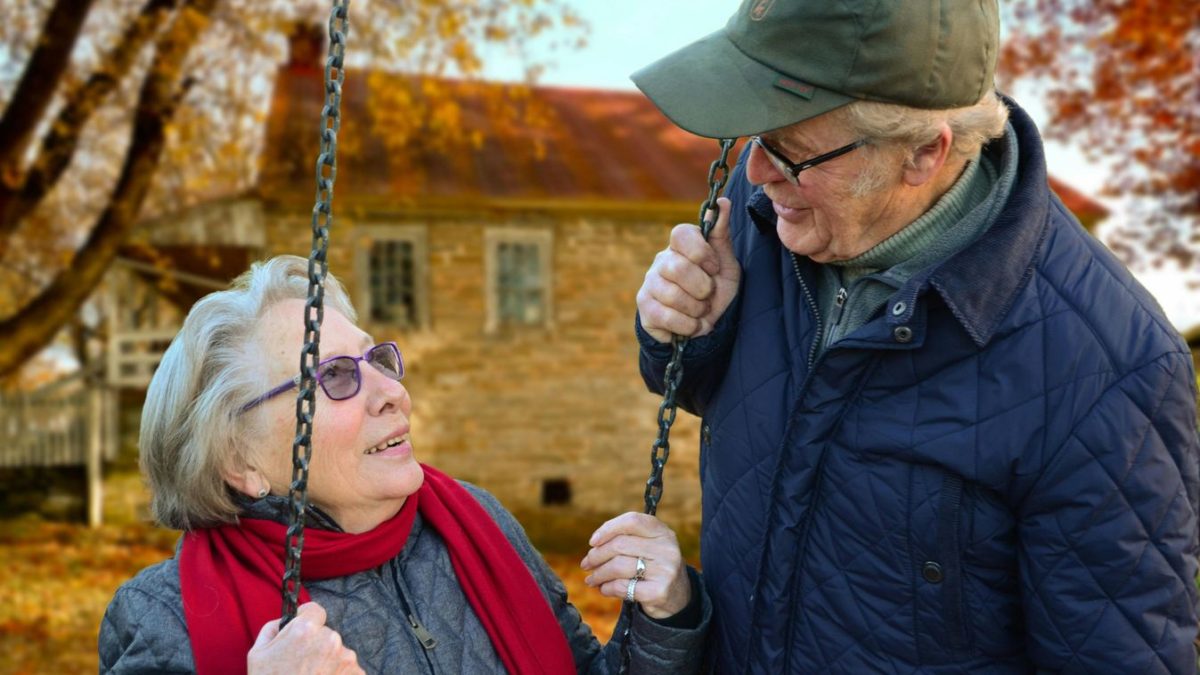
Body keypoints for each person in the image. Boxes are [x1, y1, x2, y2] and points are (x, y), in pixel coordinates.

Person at [631, 0, 1200, 672]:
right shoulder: (770, 220)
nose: (757, 173)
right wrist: (684, 334)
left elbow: (1116, 655)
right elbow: (725, 402)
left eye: (792, 151)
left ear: (924, 153)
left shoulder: (1108, 366)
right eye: (756, 136)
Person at [100, 255, 710, 674]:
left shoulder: (474, 524)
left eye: (377, 360)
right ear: (240, 460)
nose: (391, 391)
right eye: (335, 377)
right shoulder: (165, 615)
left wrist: (664, 618)